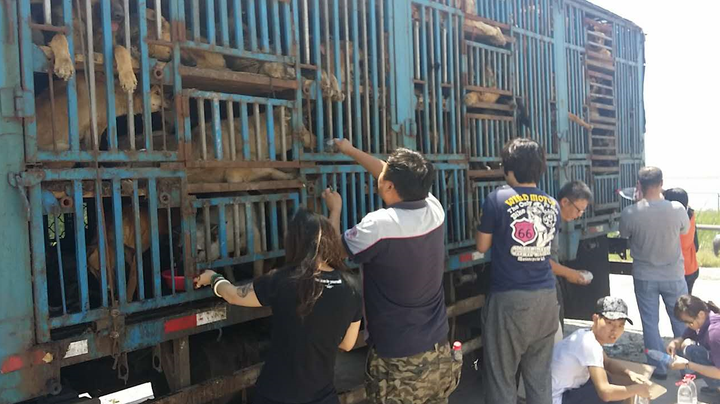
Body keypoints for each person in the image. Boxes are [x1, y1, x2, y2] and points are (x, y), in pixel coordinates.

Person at [324, 139, 460, 404]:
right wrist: (350, 150)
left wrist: (335, 210)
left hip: (398, 359)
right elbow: (389, 174)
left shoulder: (379, 226)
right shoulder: (434, 209)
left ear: (388, 186)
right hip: (438, 350)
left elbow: (332, 252)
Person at [195, 209, 362, 404]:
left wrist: (213, 278)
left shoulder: (281, 280)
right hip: (322, 397)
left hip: (274, 395)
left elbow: (233, 295)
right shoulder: (351, 285)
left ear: (293, 243)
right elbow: (347, 344)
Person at [476, 138, 559, 404]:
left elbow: (482, 245)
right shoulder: (552, 203)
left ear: (509, 169)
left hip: (510, 299)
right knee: (539, 378)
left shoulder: (497, 198)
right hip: (547, 298)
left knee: (501, 377)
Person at [619, 166, 690, 379]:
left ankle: (658, 369)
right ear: (662, 183)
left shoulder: (630, 212)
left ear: (639, 185)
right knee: (681, 320)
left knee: (650, 324)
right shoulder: (677, 208)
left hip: (644, 275)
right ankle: (685, 367)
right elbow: (684, 230)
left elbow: (624, 234)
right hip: (674, 275)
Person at [552, 296, 652, 404]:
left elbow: (607, 362)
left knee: (610, 380)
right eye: (609, 323)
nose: (615, 330)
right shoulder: (589, 344)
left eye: (620, 325)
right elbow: (605, 393)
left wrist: (630, 374)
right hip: (556, 399)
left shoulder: (585, 334)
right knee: (613, 394)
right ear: (595, 319)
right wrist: (637, 389)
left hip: (558, 392)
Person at [667, 295, 720, 394]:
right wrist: (675, 342)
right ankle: (715, 387)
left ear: (701, 314)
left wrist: (687, 365)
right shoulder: (705, 319)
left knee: (693, 351)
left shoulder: (714, 333)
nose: (687, 325)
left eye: (688, 322)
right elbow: (684, 337)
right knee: (689, 348)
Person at [663, 188, 700, 294]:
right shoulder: (691, 215)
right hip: (691, 268)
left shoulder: (671, 222)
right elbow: (696, 246)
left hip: (677, 271)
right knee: (686, 305)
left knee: (678, 307)